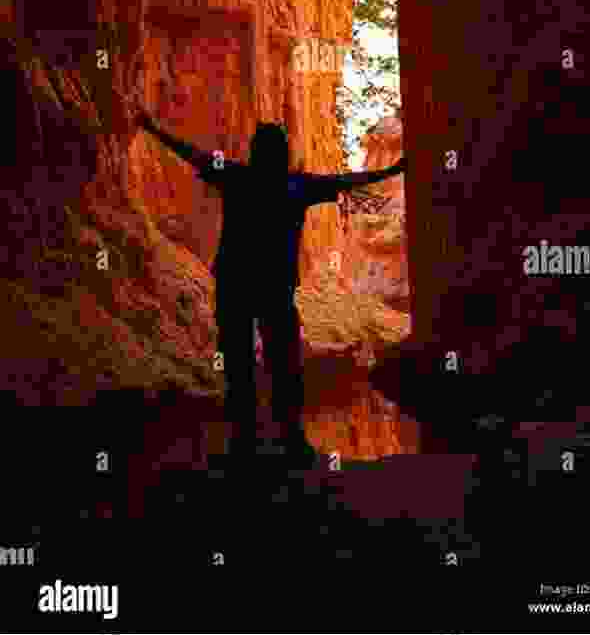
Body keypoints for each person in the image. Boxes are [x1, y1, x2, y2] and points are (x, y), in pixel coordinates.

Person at [137, 109, 406, 466]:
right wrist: (392, 171)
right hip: (275, 291)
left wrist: (153, 127)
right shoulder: (297, 185)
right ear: (282, 153)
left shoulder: (237, 177)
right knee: (284, 365)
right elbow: (348, 180)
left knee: (239, 366)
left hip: (235, 286)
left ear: (255, 153)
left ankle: (245, 444)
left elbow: (192, 154)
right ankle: (291, 441)